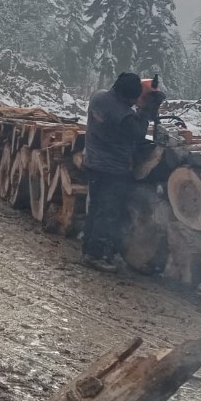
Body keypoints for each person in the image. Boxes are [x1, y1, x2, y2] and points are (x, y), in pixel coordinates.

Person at [82, 72, 166, 273]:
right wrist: (146, 110)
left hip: (93, 161)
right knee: (108, 212)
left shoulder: (99, 97)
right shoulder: (122, 115)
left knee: (96, 207)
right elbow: (137, 133)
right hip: (112, 168)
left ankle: (88, 248)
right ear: (127, 97)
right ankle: (96, 256)